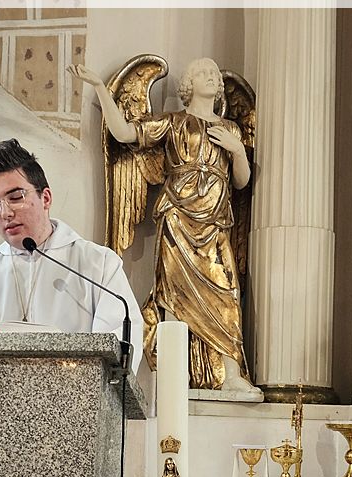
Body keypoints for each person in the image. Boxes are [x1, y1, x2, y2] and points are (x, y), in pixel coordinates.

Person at [69, 59, 260, 396]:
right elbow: (124, 134)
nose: (211, 78)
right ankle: (174, 374)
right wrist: (99, 87)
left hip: (215, 222)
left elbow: (242, 182)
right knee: (174, 297)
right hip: (178, 218)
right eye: (203, 73)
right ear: (188, 85)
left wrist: (237, 151)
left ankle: (231, 375)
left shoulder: (231, 130)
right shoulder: (173, 122)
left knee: (228, 293)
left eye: (214, 75)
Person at [0, 138, 144, 373]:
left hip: (73, 395)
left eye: (15, 198)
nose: (5, 213)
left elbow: (117, 353)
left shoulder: (98, 265)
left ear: (45, 198)